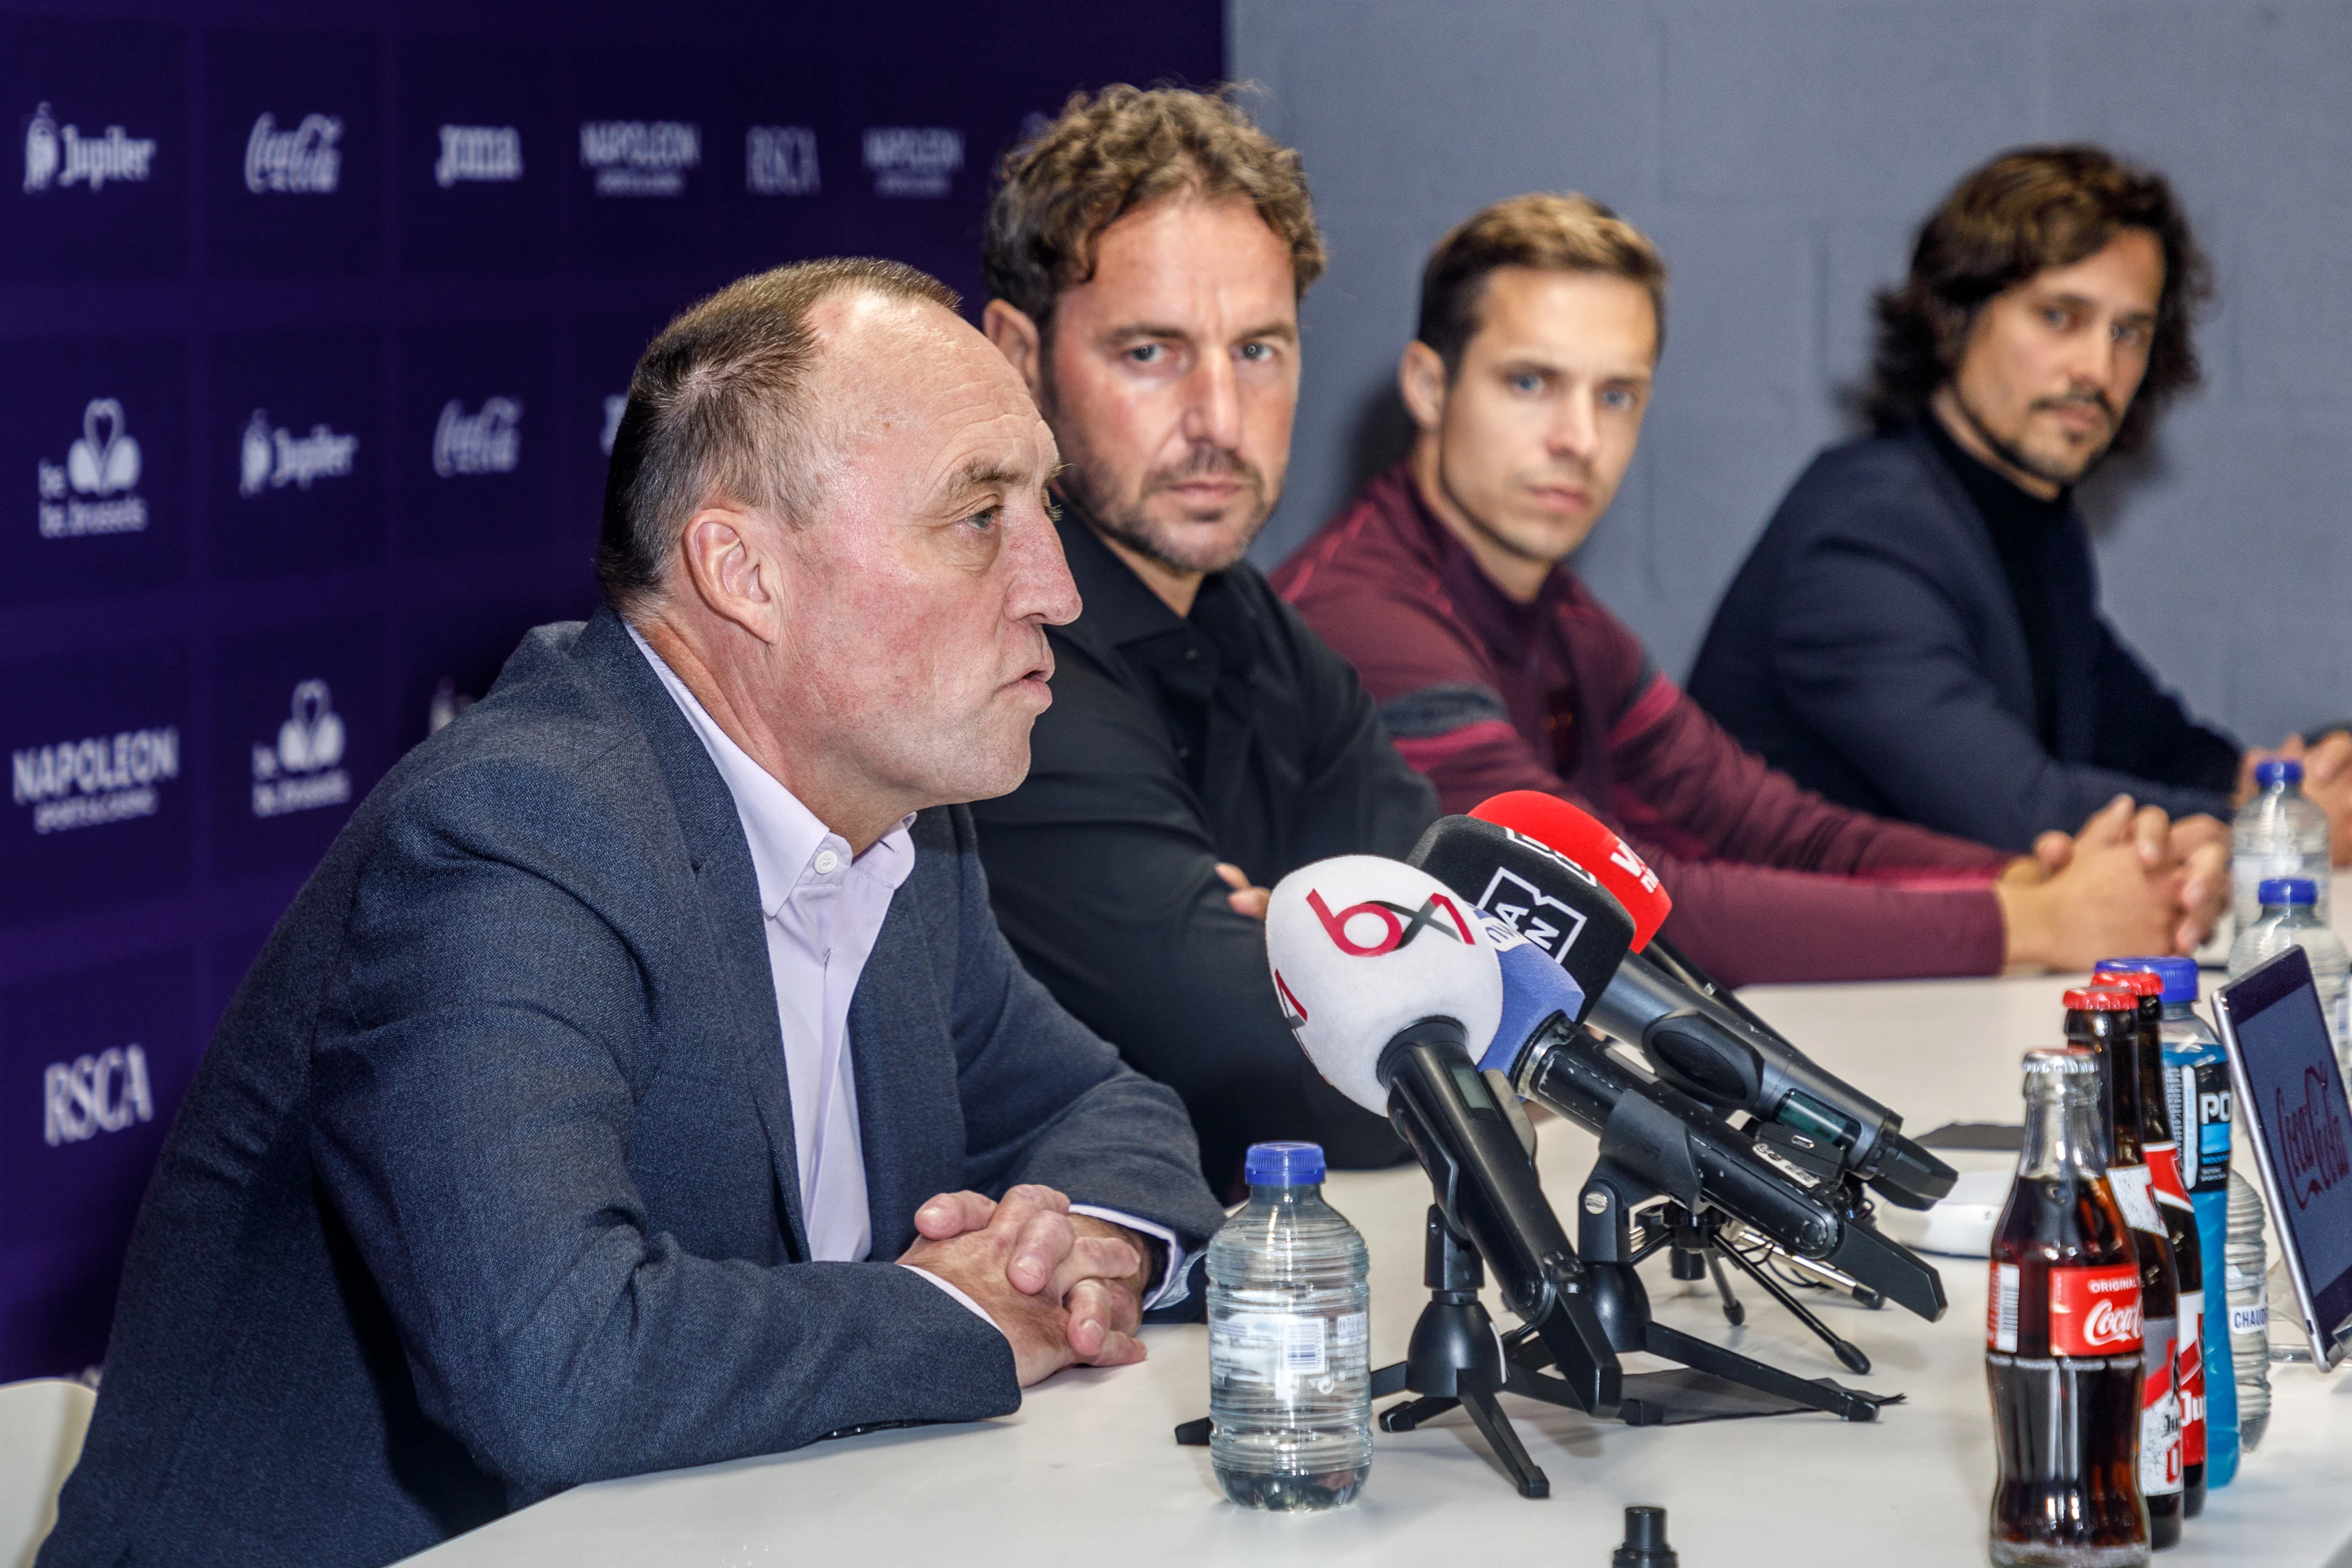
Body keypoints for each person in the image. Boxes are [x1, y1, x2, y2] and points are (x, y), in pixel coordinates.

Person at [40, 260, 1225, 1568]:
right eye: (978, 515)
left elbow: (1102, 1108)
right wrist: (960, 1312)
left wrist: (1088, 1248)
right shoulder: (515, 831)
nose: (1057, 588)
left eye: (1042, 506)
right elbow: (558, 1362)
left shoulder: (900, 818)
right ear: (742, 571)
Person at [1273, 193, 2223, 985]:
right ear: (1431, 389)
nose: (1579, 437)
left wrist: (2039, 877)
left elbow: (1764, 821)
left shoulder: (1554, 609)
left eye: (1617, 395)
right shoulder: (1367, 619)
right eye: (1530, 384)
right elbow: (1609, 901)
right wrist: (2035, 925)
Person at [971, 86, 1436, 1196]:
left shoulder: (1247, 614)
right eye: (1150, 352)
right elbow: (1251, 1064)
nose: (1220, 420)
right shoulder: (1001, 648)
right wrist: (1352, 959)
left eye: (1259, 351)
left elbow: (1500, 953)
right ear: (1015, 357)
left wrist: (1326, 952)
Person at [1689, 145, 2352, 858]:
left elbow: (2147, 739)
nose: (2098, 369)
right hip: (1779, 969)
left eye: (2128, 332)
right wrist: (2292, 828)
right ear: (1954, 318)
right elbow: (2016, 810)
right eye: (2060, 317)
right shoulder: (1866, 536)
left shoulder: (2027, 516)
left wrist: (2272, 785)